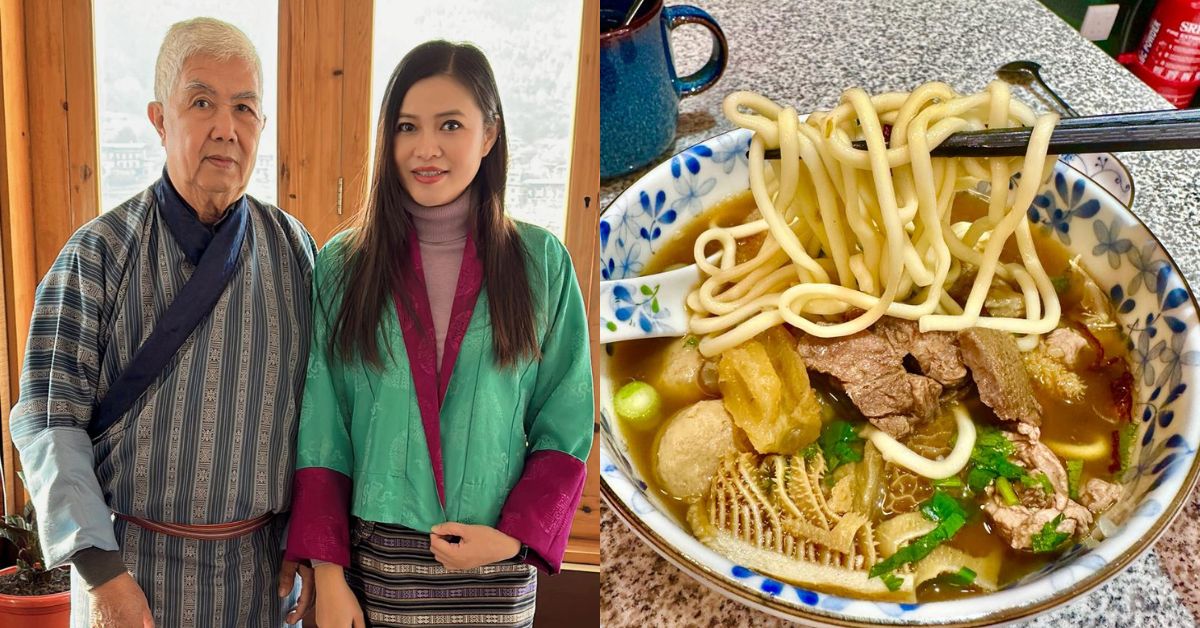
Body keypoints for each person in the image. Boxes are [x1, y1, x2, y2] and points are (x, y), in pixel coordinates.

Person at [9, 17, 316, 627]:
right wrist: (102, 577)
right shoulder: (97, 254)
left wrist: (308, 542)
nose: (225, 129)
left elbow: (323, 414)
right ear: (159, 118)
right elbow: (50, 423)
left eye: (245, 108)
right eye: (201, 102)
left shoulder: (295, 252)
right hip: (130, 576)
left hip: (260, 579)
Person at [284, 40, 594, 628]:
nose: (426, 149)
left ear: (489, 134)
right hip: (373, 570)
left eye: (450, 124)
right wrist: (328, 573)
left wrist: (512, 540)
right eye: (407, 127)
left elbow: (568, 415)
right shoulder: (342, 266)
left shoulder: (541, 261)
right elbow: (322, 425)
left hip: (495, 565)